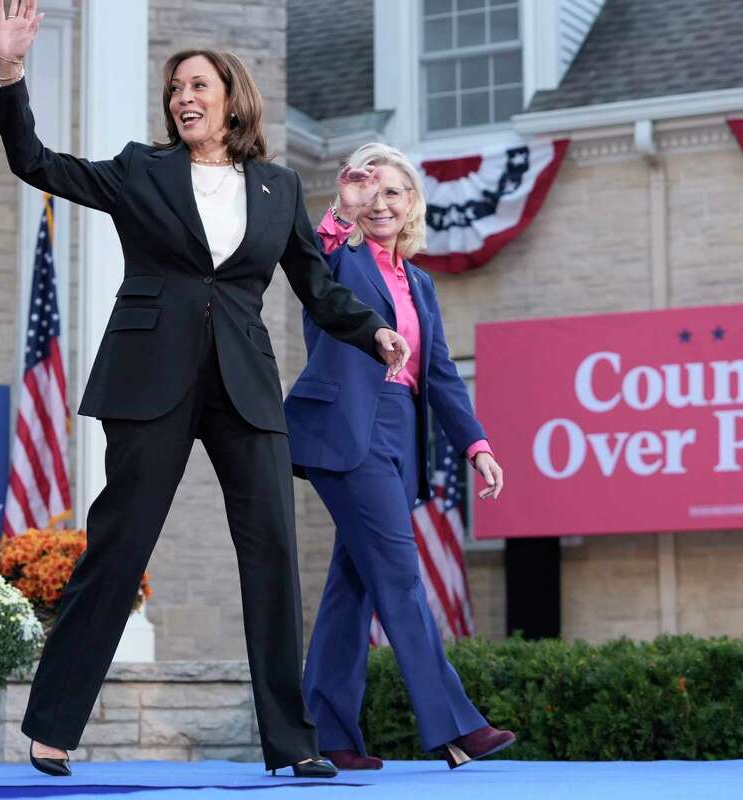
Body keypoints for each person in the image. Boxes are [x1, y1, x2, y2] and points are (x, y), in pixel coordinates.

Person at [0, 0, 411, 779]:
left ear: (231, 99)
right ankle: (51, 727)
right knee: (118, 547)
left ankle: (294, 742)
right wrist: (12, 71)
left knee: (274, 554)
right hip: (149, 377)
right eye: (175, 87)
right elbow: (38, 164)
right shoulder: (139, 170)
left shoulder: (277, 188)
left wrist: (371, 330)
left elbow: (315, 285)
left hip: (244, 383)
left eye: (198, 86)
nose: (184, 96)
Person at [284, 143, 514, 771]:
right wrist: (340, 208)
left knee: (352, 587)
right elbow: (313, 260)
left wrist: (477, 444)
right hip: (346, 432)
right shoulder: (337, 257)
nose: (380, 203)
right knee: (399, 573)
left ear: (411, 203)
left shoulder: (420, 284)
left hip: (400, 435)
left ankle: (326, 734)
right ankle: (455, 726)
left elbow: (440, 374)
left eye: (393, 192)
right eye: (370, 190)